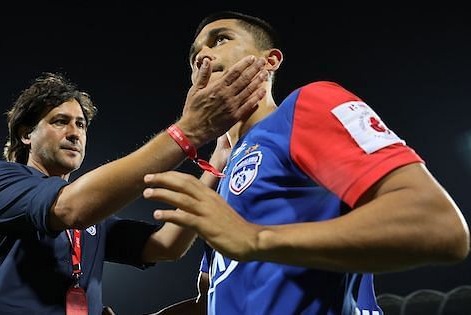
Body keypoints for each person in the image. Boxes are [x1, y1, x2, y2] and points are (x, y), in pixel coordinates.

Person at [145, 11, 471, 315]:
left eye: (220, 40)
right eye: (194, 56)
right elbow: (217, 296)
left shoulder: (304, 107)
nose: (202, 55)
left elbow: (437, 225)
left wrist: (257, 239)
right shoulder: (223, 174)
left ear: (269, 61)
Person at [0, 55, 270, 315]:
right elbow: (73, 207)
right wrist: (188, 132)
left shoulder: (93, 222)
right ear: (26, 135)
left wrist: (217, 162)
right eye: (60, 121)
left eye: (81, 124)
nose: (74, 132)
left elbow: (166, 246)